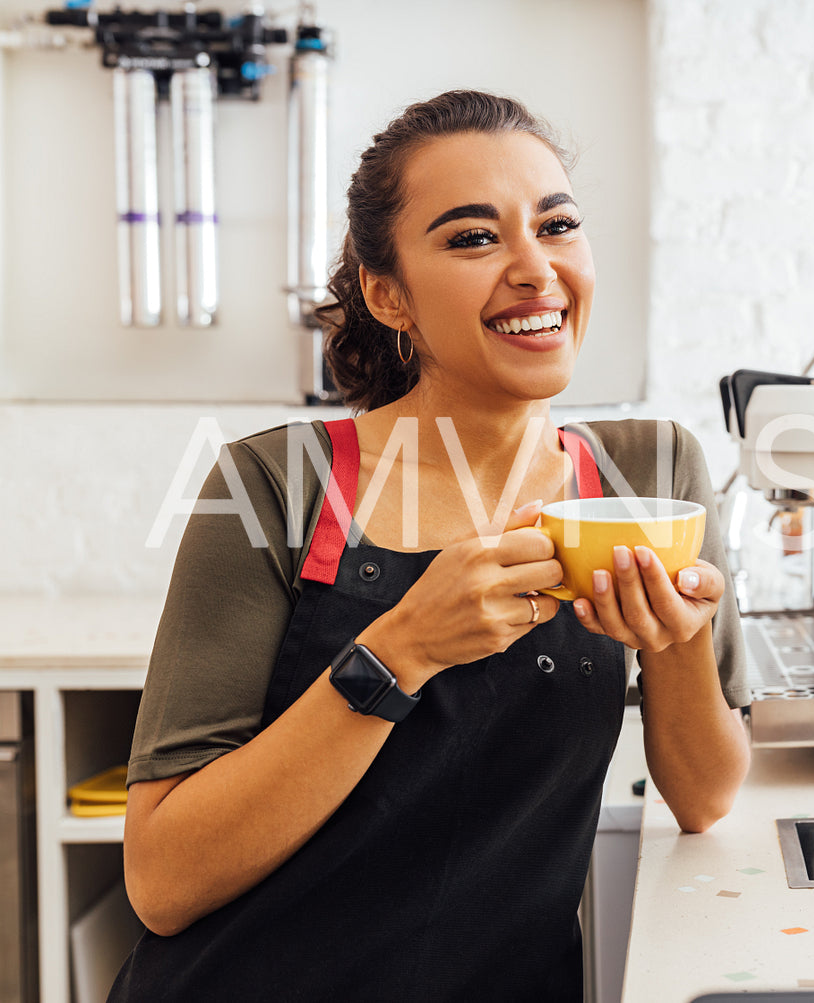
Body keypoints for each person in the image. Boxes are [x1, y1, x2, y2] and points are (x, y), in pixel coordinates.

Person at [109, 90, 751, 1002]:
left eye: (557, 224)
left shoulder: (646, 473)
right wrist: (398, 651)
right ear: (388, 294)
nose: (536, 268)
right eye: (472, 238)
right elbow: (163, 881)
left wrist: (677, 638)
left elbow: (706, 796)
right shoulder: (278, 485)